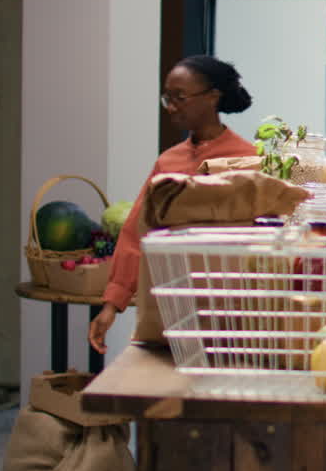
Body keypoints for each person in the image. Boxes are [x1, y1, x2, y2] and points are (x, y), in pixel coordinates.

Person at [87, 55, 257, 354]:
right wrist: (113, 304)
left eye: (180, 97)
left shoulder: (248, 159)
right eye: (167, 97)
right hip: (171, 309)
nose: (171, 106)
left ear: (212, 97)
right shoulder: (168, 162)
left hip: (234, 311)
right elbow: (135, 233)